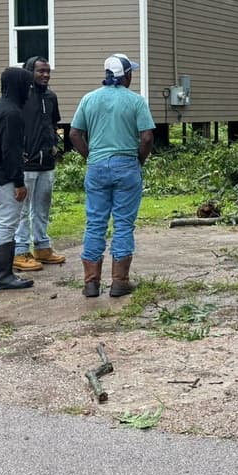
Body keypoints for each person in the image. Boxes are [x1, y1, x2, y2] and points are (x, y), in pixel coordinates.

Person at [68, 53, 155, 298]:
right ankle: (119, 281)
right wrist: (139, 160)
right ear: (126, 75)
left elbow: (75, 133)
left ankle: (91, 282)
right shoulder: (136, 101)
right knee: (123, 224)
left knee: (95, 222)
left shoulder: (89, 99)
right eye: (131, 73)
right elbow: (147, 136)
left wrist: (90, 157)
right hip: (126, 165)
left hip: (97, 166)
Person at [0, 66, 35, 290]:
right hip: (3, 178)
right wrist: (19, 182)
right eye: (27, 87)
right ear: (19, 86)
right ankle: (3, 276)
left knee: (1, 222)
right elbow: (11, 152)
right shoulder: (12, 113)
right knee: (7, 225)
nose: (29, 92)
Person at [13, 55, 66, 272]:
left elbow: (53, 124)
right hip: (26, 163)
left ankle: (42, 247)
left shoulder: (51, 97)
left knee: (43, 207)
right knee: (22, 210)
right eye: (40, 71)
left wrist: (54, 145)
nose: (45, 75)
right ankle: (19, 251)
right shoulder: (22, 97)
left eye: (47, 71)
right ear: (29, 72)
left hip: (47, 162)